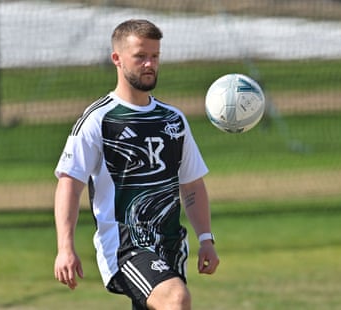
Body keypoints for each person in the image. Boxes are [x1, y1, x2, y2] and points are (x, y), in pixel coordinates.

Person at [53, 19, 219, 310]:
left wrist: (206, 238)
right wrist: (65, 248)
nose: (149, 64)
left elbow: (191, 183)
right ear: (116, 59)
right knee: (176, 299)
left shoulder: (173, 119)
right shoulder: (99, 119)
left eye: (155, 56)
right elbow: (70, 182)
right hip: (125, 246)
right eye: (140, 56)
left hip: (170, 245)